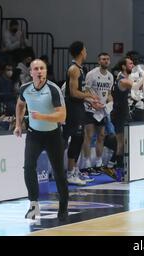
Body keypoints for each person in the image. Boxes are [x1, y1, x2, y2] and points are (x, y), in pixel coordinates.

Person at [14, 59, 69, 221]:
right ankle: (33, 205)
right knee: (28, 166)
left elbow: (62, 115)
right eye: (36, 69)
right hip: (34, 134)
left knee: (59, 173)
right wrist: (18, 124)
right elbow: (19, 105)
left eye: (42, 68)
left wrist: (42, 116)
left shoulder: (53, 89)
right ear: (31, 73)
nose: (39, 71)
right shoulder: (25, 88)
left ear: (45, 71)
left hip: (53, 135)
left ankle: (63, 207)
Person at [63, 41, 102, 186]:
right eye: (85, 50)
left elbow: (80, 93)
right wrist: (90, 96)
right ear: (80, 52)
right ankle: (70, 173)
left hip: (79, 107)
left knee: (79, 139)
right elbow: (73, 92)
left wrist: (91, 102)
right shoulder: (74, 69)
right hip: (72, 108)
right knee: (75, 139)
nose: (86, 52)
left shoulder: (81, 69)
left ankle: (75, 171)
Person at [107, 57, 144, 180]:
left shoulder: (125, 79)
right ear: (123, 66)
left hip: (122, 113)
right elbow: (137, 86)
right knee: (121, 144)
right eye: (130, 64)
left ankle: (113, 167)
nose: (133, 65)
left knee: (122, 145)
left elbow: (140, 87)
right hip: (119, 114)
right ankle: (115, 169)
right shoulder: (122, 80)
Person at [80, 52, 114, 176]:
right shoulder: (91, 74)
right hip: (90, 109)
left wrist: (110, 102)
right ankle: (87, 164)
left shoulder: (110, 76)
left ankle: (98, 163)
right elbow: (87, 90)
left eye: (107, 59)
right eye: (103, 59)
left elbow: (109, 93)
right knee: (88, 136)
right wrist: (94, 102)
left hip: (102, 110)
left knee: (101, 136)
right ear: (98, 61)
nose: (106, 61)